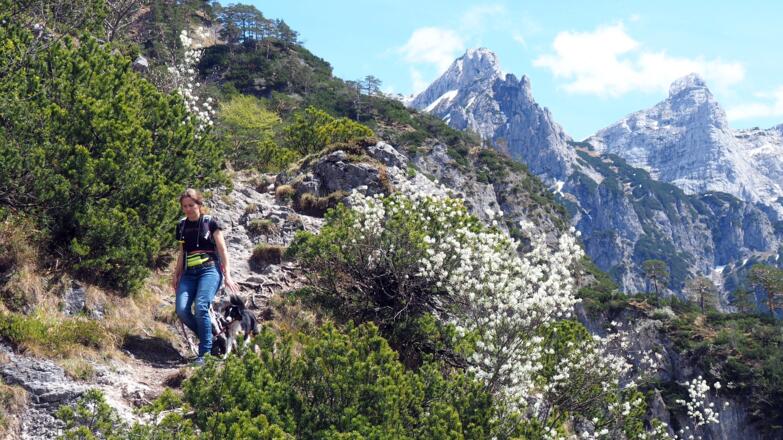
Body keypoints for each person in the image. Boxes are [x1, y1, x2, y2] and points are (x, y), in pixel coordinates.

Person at [171, 188, 239, 365]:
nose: (188, 209)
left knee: (201, 306)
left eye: (191, 205)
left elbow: (223, 250)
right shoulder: (181, 225)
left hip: (209, 270)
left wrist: (228, 275)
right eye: (184, 206)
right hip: (188, 273)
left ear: (199, 204)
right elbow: (182, 253)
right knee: (182, 310)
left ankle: (205, 354)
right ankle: (211, 337)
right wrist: (177, 274)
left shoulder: (210, 222)